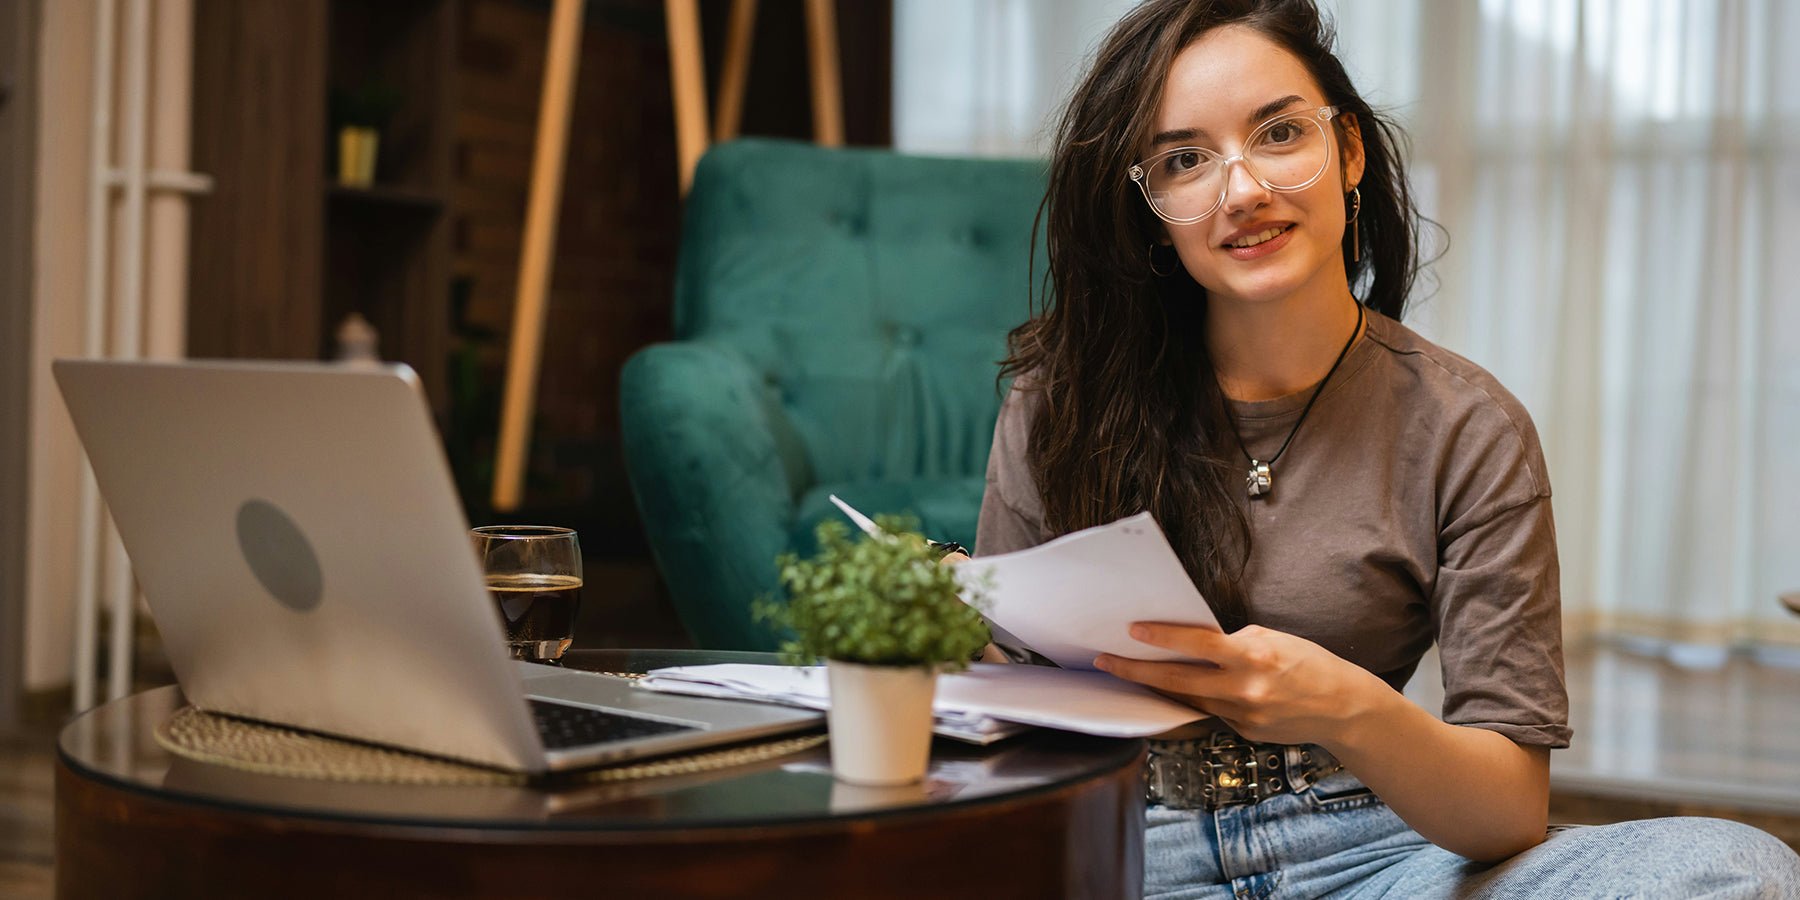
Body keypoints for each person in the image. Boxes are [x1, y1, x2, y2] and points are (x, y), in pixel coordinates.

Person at [968, 0, 1800, 896]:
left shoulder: (1466, 425)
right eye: (1185, 160)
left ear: (1349, 152)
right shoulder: (1062, 405)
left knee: (1737, 868)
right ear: (1149, 210)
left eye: (1280, 133)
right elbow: (993, 709)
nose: (1243, 191)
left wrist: (1344, 706)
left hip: (1375, 853)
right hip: (1125, 847)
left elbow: (1508, 813)